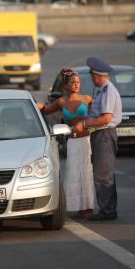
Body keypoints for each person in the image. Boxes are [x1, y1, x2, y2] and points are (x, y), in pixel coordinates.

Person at [37, 68, 96, 219]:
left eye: (78, 82)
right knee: (73, 173)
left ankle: (88, 207)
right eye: (72, 82)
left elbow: (101, 113)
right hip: (73, 142)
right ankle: (79, 207)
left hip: (86, 141)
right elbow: (46, 110)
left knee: (87, 173)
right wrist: (34, 104)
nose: (76, 85)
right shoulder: (61, 101)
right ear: (65, 86)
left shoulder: (87, 99)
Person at [74, 57, 122, 221]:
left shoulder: (108, 91)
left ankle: (107, 211)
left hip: (104, 134)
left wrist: (85, 125)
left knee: (103, 175)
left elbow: (106, 119)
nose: (91, 79)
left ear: (96, 76)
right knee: (104, 173)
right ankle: (108, 209)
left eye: (91, 76)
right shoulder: (103, 90)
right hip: (100, 135)